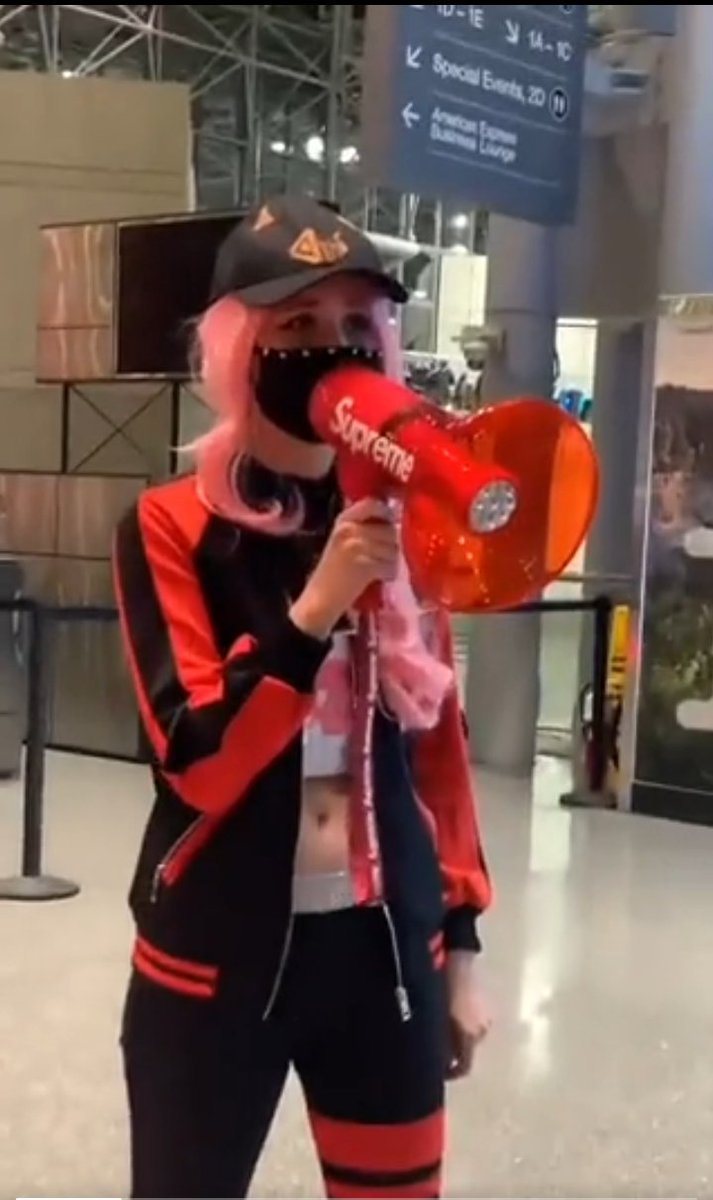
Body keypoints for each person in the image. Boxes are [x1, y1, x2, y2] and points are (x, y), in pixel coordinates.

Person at [113, 194, 492, 1200]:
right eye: (297, 323)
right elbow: (197, 762)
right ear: (239, 347)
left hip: (384, 957)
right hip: (211, 967)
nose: (333, 345)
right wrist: (316, 605)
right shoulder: (167, 527)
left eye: (356, 321)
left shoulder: (408, 528)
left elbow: (438, 751)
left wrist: (458, 943)